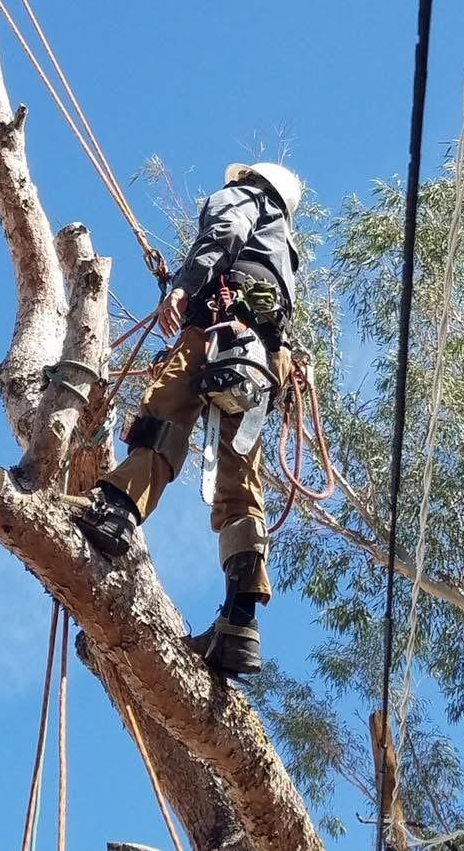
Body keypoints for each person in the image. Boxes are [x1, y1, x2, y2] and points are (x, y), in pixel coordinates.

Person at [76, 162, 302, 677]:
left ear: (250, 179)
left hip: (219, 332)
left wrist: (183, 286)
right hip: (260, 362)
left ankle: (114, 510)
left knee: (166, 415)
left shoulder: (245, 198)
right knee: (240, 481)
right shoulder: (286, 247)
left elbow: (222, 233)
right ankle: (239, 623)